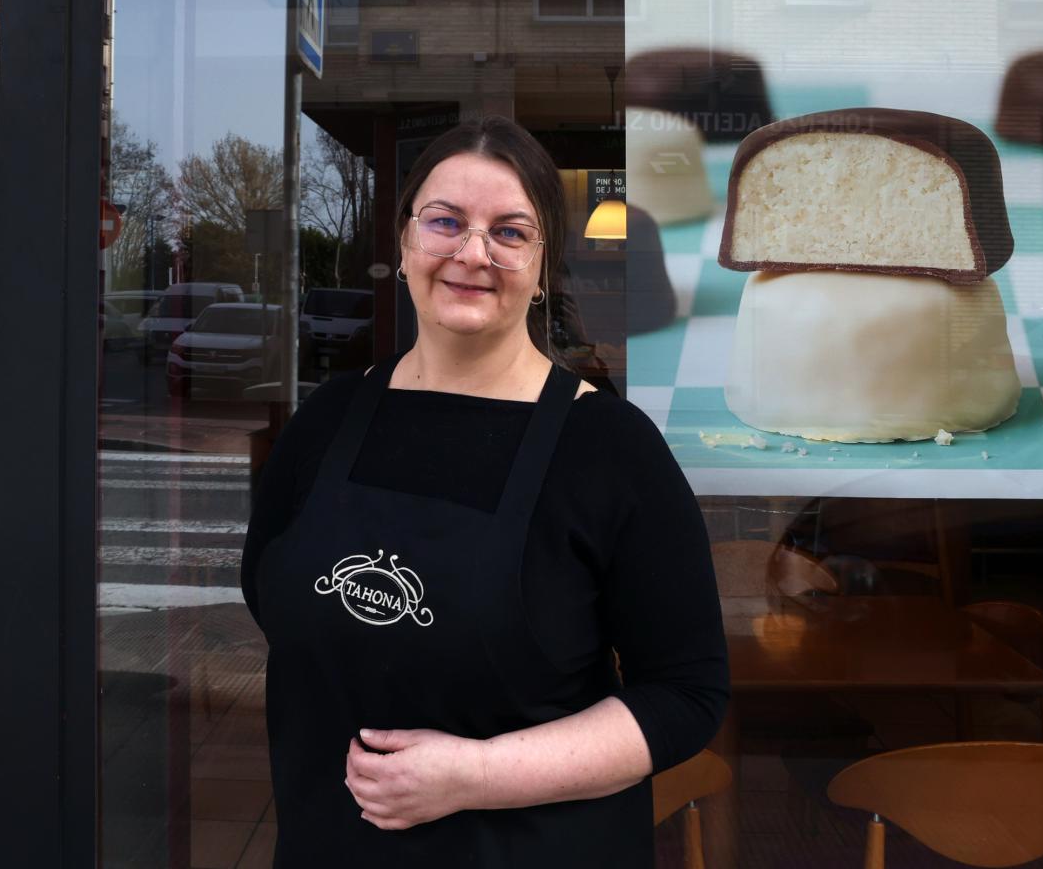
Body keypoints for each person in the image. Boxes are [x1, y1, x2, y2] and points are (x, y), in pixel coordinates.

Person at [240, 117, 728, 866]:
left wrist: (472, 776)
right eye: (445, 222)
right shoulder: (329, 420)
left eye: (509, 231)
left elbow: (685, 697)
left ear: (541, 266)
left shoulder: (609, 448)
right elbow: (269, 598)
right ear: (404, 244)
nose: (473, 252)